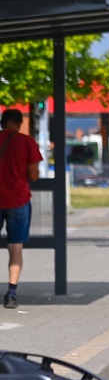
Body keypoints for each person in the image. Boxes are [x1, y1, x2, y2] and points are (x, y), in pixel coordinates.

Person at [0, 108, 43, 310]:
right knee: (15, 247)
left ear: (2, 123)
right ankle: (11, 293)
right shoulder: (26, 142)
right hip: (18, 199)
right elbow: (33, 175)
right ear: (18, 123)